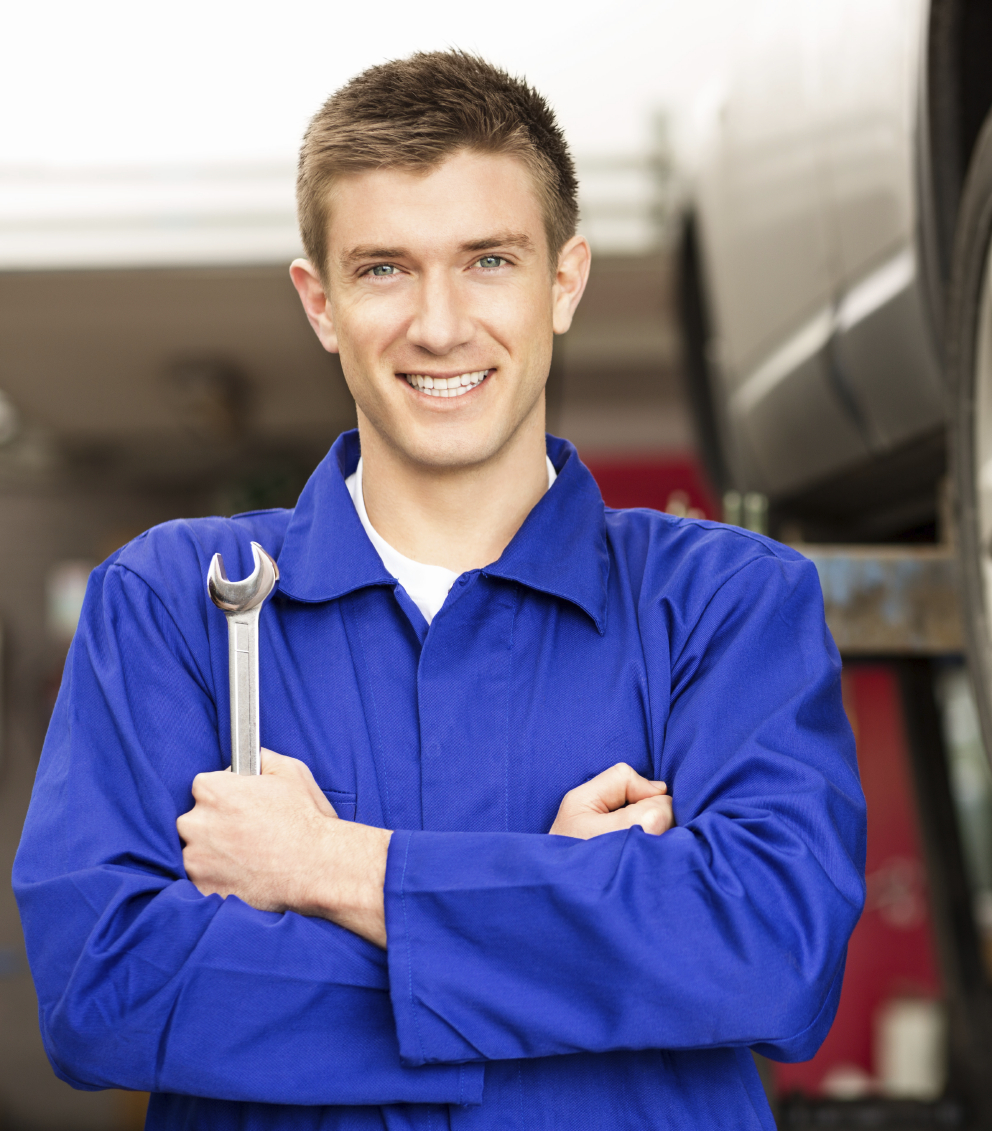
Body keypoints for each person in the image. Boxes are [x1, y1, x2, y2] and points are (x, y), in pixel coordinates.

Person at [12, 51, 865, 1129]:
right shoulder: (177, 602)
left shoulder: (724, 604)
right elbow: (106, 990)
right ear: (320, 303)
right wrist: (557, 918)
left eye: (489, 261)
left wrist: (330, 866)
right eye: (384, 269)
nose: (441, 324)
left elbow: (773, 952)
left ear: (565, 281)